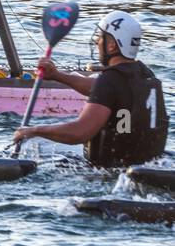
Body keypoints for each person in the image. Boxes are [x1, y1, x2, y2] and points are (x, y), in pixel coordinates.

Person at [14, 11, 168, 167]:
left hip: (108, 175)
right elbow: (102, 91)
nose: (97, 42)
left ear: (112, 45)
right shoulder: (144, 74)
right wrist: (57, 75)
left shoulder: (110, 80)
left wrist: (33, 131)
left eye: (101, 37)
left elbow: (80, 132)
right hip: (148, 166)